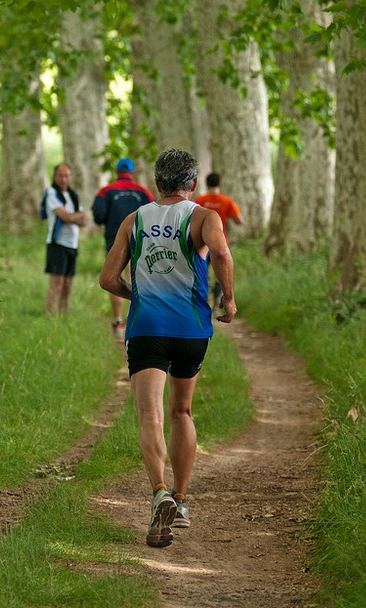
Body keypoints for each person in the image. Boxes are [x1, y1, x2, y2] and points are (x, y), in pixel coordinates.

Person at [98, 148, 235, 548]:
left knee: (150, 414)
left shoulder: (134, 220)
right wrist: (228, 299)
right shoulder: (204, 218)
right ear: (193, 183)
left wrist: (138, 296)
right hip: (191, 329)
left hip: (147, 328)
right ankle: (182, 498)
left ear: (156, 183)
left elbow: (108, 279)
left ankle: (159, 490)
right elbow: (221, 253)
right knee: (181, 411)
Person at [92, 157, 154, 335]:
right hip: (140, 238)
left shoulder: (106, 191)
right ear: (132, 172)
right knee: (137, 276)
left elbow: (98, 215)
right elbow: (154, 213)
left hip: (114, 238)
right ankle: (135, 318)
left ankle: (118, 320)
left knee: (115, 276)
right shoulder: (143, 192)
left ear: (117, 171)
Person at [43, 163, 86, 315]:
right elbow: (65, 217)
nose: (63, 179)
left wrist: (71, 217)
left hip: (72, 245)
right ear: (55, 176)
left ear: (71, 177)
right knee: (57, 283)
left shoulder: (74, 196)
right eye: (60, 176)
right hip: (57, 244)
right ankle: (50, 316)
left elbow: (84, 220)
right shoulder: (51, 194)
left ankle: (63, 316)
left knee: (68, 284)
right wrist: (73, 217)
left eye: (67, 176)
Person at [194, 173, 242, 306]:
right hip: (221, 241)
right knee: (219, 274)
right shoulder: (227, 201)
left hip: (202, 243)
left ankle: (205, 300)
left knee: (203, 271)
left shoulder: (199, 201)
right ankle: (216, 303)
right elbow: (239, 220)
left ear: (206, 184)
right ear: (220, 184)